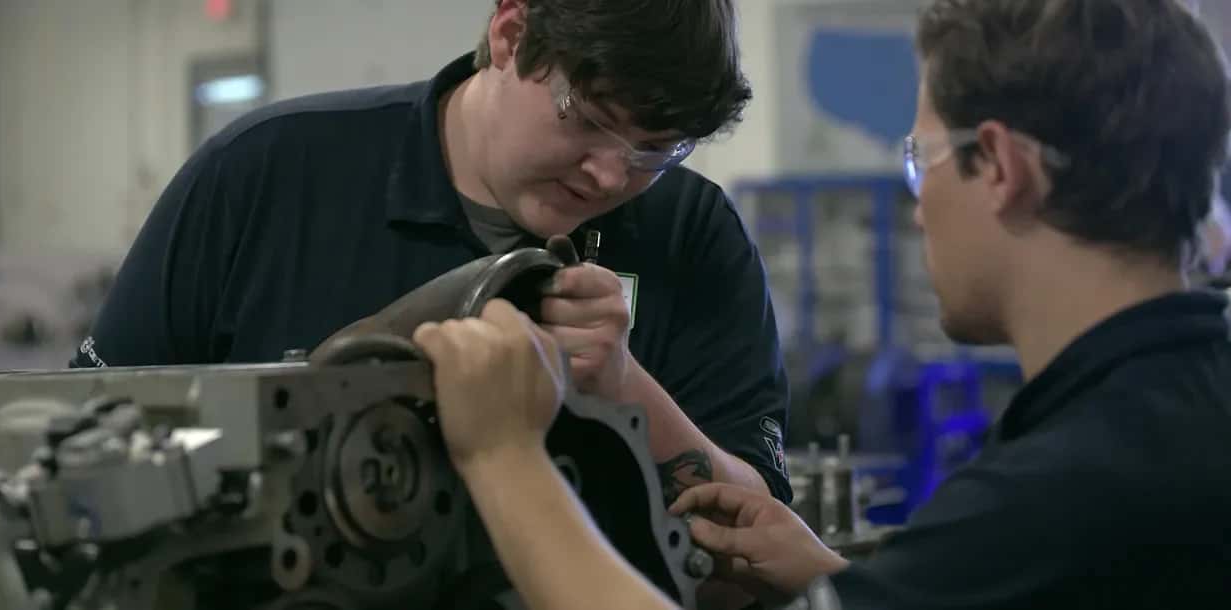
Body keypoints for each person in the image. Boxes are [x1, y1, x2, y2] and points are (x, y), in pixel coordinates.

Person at [412, 0, 1231, 608]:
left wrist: (503, 457)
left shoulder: (1071, 487)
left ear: (1000, 168)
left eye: (921, 162)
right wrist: (832, 582)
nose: (918, 207)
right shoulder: (1178, 414)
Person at [72, 0, 793, 502]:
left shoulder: (692, 236)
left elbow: (760, 523)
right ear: (512, 33)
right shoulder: (265, 177)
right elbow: (76, 436)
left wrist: (625, 387)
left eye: (653, 152)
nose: (611, 175)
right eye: (591, 120)